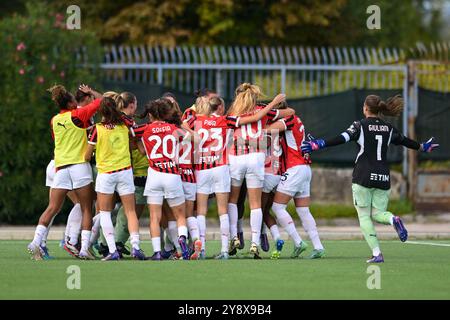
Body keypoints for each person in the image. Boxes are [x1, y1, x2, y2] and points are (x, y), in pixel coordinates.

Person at [301, 94, 439, 263]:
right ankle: (393, 219)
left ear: (365, 108)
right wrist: (423, 147)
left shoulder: (359, 126)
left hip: (363, 176)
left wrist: (320, 143)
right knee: (379, 213)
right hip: (383, 176)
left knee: (365, 216)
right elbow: (405, 141)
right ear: (379, 109)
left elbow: (342, 138)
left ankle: (377, 253)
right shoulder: (388, 128)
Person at [27, 84, 101, 260]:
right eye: (74, 101)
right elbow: (102, 101)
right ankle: (83, 248)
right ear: (69, 104)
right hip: (79, 167)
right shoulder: (78, 114)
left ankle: (36, 242)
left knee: (52, 208)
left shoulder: (53, 120)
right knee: (87, 208)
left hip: (60, 168)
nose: (76, 103)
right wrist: (91, 92)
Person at [226, 83, 294, 258]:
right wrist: (273, 105)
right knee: (256, 204)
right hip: (256, 158)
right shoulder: (263, 110)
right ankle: (255, 243)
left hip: (237, 157)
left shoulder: (232, 114)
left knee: (233, 200)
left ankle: (234, 236)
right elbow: (290, 113)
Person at [85, 97, 146, 261]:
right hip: (125, 172)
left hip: (106, 173)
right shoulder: (125, 125)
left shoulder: (97, 129)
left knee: (105, 213)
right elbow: (136, 141)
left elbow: (86, 155)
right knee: (130, 211)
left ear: (101, 112)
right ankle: (136, 247)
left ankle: (113, 250)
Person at [266, 112, 325, 259]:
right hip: (305, 169)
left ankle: (298, 242)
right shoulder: (297, 119)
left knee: (277, 207)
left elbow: (268, 130)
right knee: (304, 210)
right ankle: (318, 247)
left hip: (295, 168)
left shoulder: (288, 119)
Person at [138, 99, 190, 260]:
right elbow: (196, 139)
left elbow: (130, 135)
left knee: (155, 217)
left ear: (151, 114)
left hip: (154, 175)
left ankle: (157, 252)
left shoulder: (144, 129)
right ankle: (182, 239)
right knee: (180, 215)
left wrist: (141, 145)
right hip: (172, 175)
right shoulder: (174, 129)